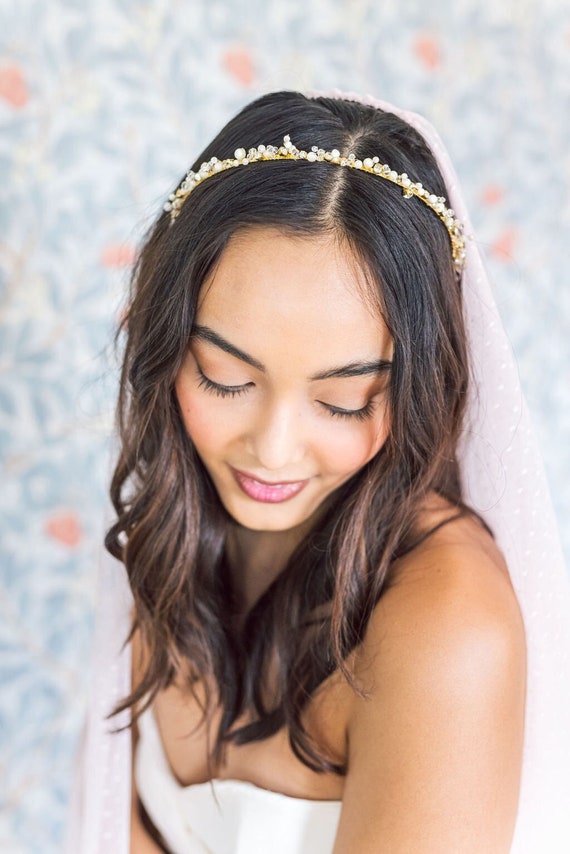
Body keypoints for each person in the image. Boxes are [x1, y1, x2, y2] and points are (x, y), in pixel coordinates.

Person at [65, 90, 570, 854]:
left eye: (342, 401)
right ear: (165, 347)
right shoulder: (166, 532)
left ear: (417, 388)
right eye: (223, 377)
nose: (273, 450)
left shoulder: (445, 625)